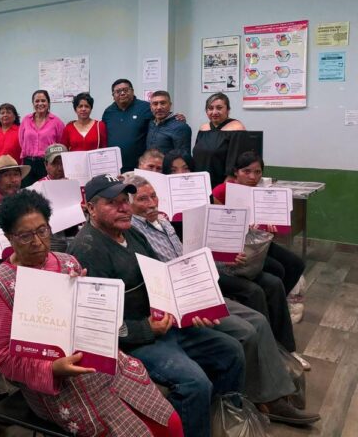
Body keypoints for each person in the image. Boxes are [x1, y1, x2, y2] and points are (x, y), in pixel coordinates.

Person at [0, 190, 181, 437]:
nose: (37, 242)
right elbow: (4, 359)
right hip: (57, 383)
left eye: (42, 231)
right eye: (25, 236)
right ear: (8, 237)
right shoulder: (0, 285)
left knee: (171, 424)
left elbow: (99, 324)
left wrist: (91, 301)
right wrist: (53, 368)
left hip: (102, 364)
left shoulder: (68, 263)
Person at [125, 173, 319, 426]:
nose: (151, 203)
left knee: (258, 320)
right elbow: (161, 274)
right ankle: (265, 398)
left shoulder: (163, 221)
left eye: (153, 196)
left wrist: (219, 260)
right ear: (128, 204)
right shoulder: (135, 230)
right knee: (246, 331)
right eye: (142, 199)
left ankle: (272, 394)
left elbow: (187, 255)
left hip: (198, 286)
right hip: (180, 298)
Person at [67, 174, 245, 437]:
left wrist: (191, 308)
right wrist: (147, 329)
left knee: (232, 351)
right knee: (194, 383)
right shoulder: (88, 250)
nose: (124, 207)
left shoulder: (132, 233)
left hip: (165, 325)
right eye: (112, 203)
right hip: (134, 342)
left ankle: (224, 423)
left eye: (125, 200)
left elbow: (161, 277)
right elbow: (99, 326)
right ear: (90, 208)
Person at [212, 151, 309, 368]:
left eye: (257, 172)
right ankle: (275, 318)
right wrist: (242, 227)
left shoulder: (262, 193)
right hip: (237, 248)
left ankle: (282, 328)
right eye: (247, 171)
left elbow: (281, 229)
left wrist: (269, 226)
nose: (252, 176)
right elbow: (220, 227)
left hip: (258, 243)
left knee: (292, 265)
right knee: (275, 272)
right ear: (236, 172)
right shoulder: (222, 190)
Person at [192, 93, 249, 187]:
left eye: (219, 108)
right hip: (200, 183)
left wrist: (223, 190)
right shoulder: (203, 128)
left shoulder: (237, 129)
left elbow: (235, 166)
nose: (214, 112)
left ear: (228, 110)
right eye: (210, 108)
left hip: (221, 185)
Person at [102, 79, 152, 172]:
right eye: (118, 91)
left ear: (132, 91)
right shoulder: (108, 112)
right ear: (113, 96)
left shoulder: (146, 108)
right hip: (115, 167)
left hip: (140, 167)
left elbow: (160, 122)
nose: (122, 93)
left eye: (125, 90)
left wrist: (175, 118)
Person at [19, 90, 64, 186]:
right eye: (37, 101)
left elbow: (61, 144)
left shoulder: (56, 122)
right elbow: (21, 141)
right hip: (28, 163)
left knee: (47, 193)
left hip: (47, 164)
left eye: (43, 101)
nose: (40, 103)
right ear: (33, 103)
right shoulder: (26, 120)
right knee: (28, 194)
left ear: (48, 103)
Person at [145, 91, 192, 156]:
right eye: (155, 104)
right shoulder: (150, 123)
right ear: (151, 107)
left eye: (163, 103)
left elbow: (183, 157)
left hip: (168, 166)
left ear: (170, 105)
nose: (159, 107)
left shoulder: (180, 127)